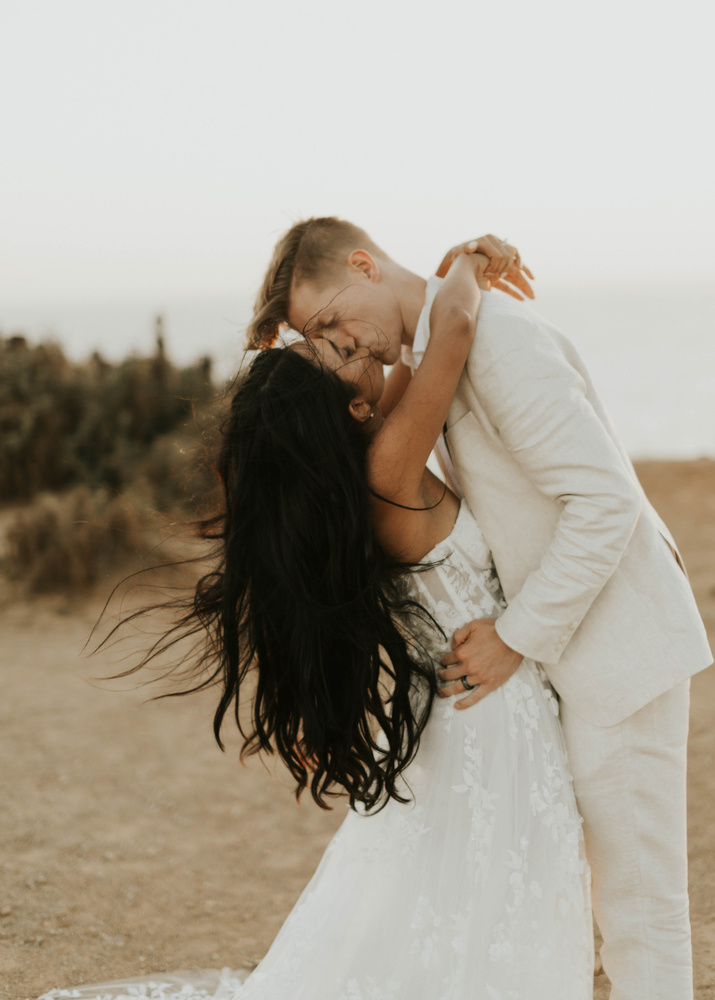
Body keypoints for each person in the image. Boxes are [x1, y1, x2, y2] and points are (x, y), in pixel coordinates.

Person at [37, 245, 593, 999]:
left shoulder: (367, 467)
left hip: (464, 708)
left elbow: (406, 362)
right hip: (491, 712)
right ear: (353, 406)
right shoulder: (388, 470)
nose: (358, 344)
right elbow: (453, 327)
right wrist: (466, 260)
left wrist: (403, 311)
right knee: (490, 905)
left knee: (450, 906)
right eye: (335, 350)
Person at [248, 217, 714, 1000]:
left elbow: (604, 503)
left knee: (639, 914)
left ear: (362, 264)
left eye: (327, 320)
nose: (339, 348)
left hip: (614, 649)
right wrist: (462, 264)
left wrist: (515, 635)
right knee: (598, 907)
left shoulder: (493, 340)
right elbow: (445, 330)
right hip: (549, 663)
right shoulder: (426, 362)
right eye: (316, 340)